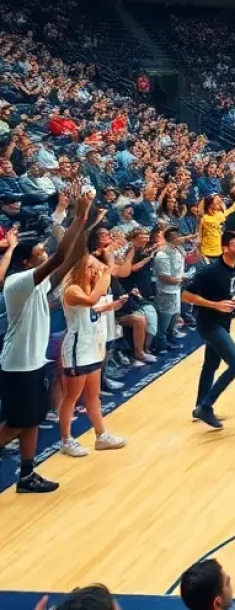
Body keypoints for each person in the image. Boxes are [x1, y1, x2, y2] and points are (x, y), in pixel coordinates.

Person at [0, 187, 93, 494]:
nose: (44, 252)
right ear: (27, 263)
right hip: (18, 365)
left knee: (32, 420)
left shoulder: (35, 285)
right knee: (15, 423)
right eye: (40, 252)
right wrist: (77, 215)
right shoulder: (17, 283)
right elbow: (62, 256)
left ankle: (26, 475)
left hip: (33, 361)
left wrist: (85, 220)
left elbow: (74, 255)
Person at [57, 250, 128, 457]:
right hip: (77, 349)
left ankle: (101, 435)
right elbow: (90, 301)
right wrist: (107, 271)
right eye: (91, 268)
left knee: (93, 395)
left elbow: (93, 308)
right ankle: (66, 440)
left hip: (92, 347)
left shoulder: (88, 287)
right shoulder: (71, 290)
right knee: (71, 396)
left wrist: (111, 306)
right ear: (80, 269)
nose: (94, 272)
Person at [183, 230, 235, 430]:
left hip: (224, 322)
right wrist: (215, 304)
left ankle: (198, 407)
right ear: (225, 248)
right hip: (208, 323)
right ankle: (206, 406)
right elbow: (186, 296)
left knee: (211, 364)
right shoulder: (210, 272)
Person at [154, 227, 188, 350]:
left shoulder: (178, 250)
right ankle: (160, 345)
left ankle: (170, 338)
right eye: (178, 236)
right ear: (172, 239)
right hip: (166, 291)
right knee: (164, 320)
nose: (181, 237)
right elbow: (164, 278)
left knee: (174, 316)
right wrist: (183, 279)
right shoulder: (162, 255)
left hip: (176, 289)